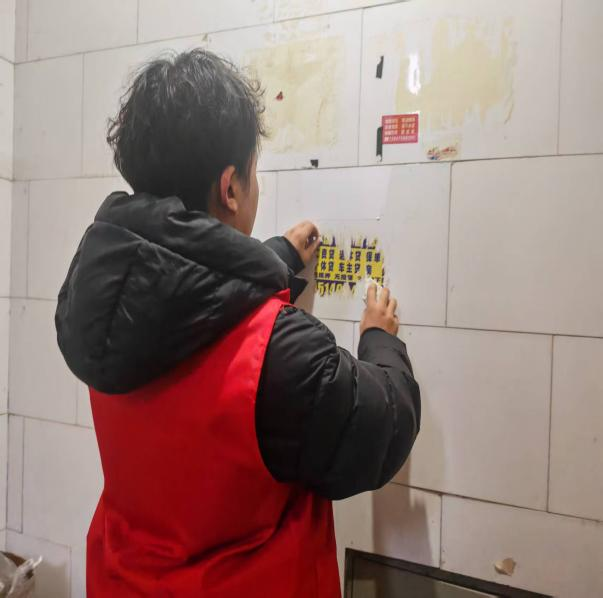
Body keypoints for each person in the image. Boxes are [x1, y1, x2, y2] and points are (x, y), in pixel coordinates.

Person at [55, 49, 421, 598]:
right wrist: (379, 340)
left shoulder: (103, 301)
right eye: (254, 172)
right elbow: (384, 429)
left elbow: (185, 286)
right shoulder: (283, 353)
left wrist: (278, 255)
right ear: (230, 188)